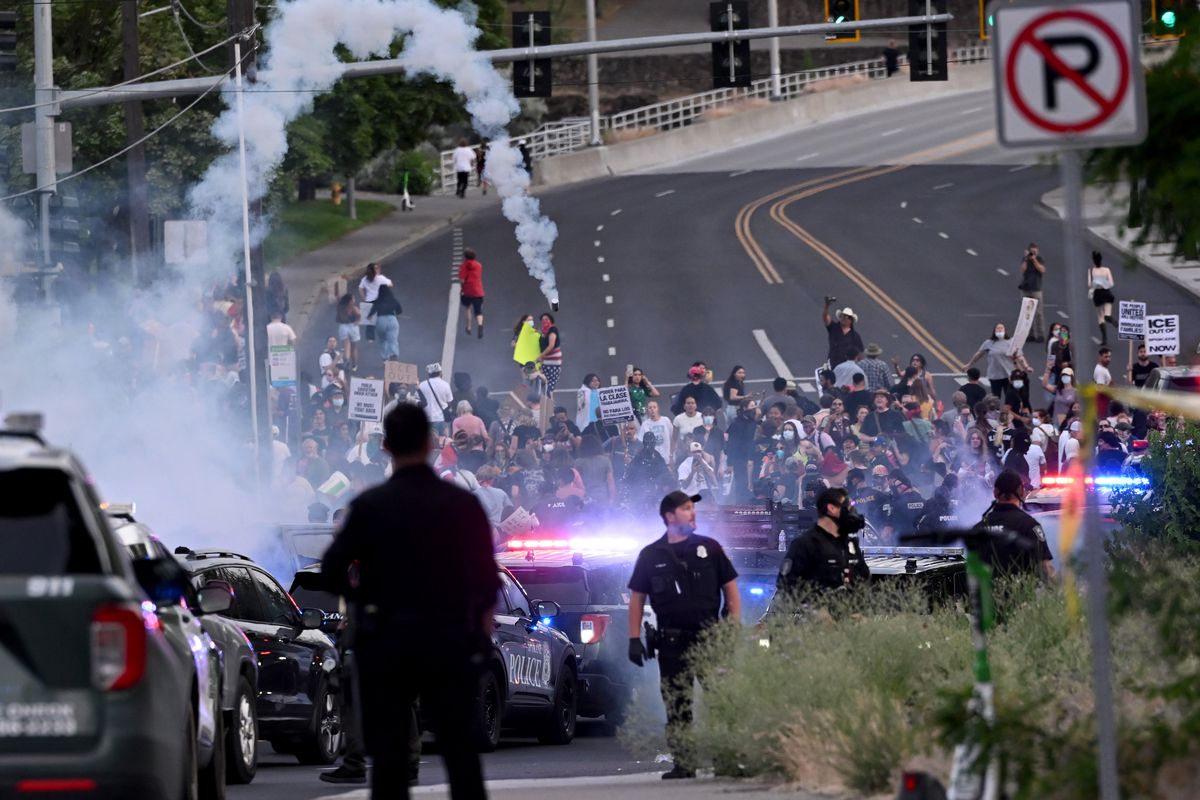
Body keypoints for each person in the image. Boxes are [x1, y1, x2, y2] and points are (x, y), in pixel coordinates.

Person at [322, 405, 499, 798]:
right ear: (430, 442)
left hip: (386, 642)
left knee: (388, 761)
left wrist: (361, 602)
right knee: (460, 754)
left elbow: (330, 569)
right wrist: (479, 641)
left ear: (385, 445)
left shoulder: (370, 507)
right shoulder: (462, 505)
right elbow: (488, 583)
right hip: (449, 640)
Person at [627, 492, 739, 780]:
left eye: (692, 508)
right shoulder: (651, 555)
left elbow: (731, 589)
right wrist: (633, 638)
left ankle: (725, 758)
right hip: (671, 641)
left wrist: (732, 627)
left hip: (709, 638)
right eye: (687, 509)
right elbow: (637, 598)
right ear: (669, 516)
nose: (693, 513)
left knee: (720, 700)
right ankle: (684, 762)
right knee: (677, 703)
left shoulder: (710, 548)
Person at [776, 487, 870, 596]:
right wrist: (814, 609)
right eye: (847, 507)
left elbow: (864, 581)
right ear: (831, 508)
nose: (852, 513)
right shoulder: (805, 544)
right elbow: (785, 586)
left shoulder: (850, 544)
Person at [977, 470, 1054, 579]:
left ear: (995, 492)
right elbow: (1045, 569)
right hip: (1020, 594)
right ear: (1022, 491)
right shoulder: (1031, 526)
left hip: (985, 595)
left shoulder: (979, 528)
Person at [964, 323, 1016, 399]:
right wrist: (969, 364)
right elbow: (979, 354)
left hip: (1008, 374)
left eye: (1002, 328)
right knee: (996, 396)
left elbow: (1019, 356)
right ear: (994, 331)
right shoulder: (989, 343)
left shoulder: (1011, 342)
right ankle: (996, 410)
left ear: (1005, 330)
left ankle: (1010, 410)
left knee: (1010, 397)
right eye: (998, 328)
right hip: (995, 375)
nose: (1000, 330)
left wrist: (1025, 367)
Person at [1018, 242, 1047, 342]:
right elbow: (1022, 269)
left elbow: (1042, 270)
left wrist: (1034, 260)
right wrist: (1026, 258)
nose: (1033, 253)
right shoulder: (1025, 260)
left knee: (1038, 313)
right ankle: (1029, 334)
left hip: (1036, 289)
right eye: (1032, 251)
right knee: (1027, 313)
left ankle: (1040, 334)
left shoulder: (1039, 259)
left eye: (1035, 251)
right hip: (1026, 289)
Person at [358, 262, 393, 344]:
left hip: (369, 300)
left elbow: (360, 288)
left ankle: (370, 339)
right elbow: (391, 284)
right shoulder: (380, 278)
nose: (379, 269)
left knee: (370, 321)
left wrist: (364, 298)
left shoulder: (365, 279)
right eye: (377, 268)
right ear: (375, 270)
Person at [822, 300, 864, 367]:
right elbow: (825, 317)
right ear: (840, 317)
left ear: (851, 321)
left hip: (846, 367)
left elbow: (860, 355)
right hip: (832, 364)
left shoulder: (855, 336)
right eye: (843, 316)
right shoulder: (833, 327)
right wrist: (827, 306)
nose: (845, 318)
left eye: (848, 317)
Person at [418, 363, 455, 435]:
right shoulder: (445, 385)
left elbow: (418, 401)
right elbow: (450, 401)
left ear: (429, 374)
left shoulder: (422, 385)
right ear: (440, 373)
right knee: (439, 442)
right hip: (440, 418)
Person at [1089, 250, 1116, 346]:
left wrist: (1097, 283)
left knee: (1100, 317)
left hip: (1098, 295)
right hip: (1107, 293)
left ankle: (1104, 338)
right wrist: (1104, 283)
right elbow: (1111, 283)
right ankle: (1112, 320)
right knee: (1107, 314)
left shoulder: (1091, 271)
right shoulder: (1106, 270)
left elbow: (1090, 285)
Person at [370, 284, 402, 362]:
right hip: (392, 320)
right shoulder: (392, 299)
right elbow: (400, 310)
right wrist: (396, 314)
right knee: (393, 341)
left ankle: (385, 358)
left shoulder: (378, 300)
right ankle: (394, 356)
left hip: (380, 320)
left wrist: (369, 316)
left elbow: (372, 311)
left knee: (382, 340)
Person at [459, 248, 485, 339]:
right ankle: (480, 325)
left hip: (467, 291)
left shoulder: (463, 266)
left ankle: (469, 326)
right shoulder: (479, 265)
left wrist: (462, 289)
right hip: (478, 290)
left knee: (468, 308)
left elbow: (462, 279)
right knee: (478, 311)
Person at [537, 312, 562, 396]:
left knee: (550, 386)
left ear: (550, 320)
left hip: (553, 363)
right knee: (542, 384)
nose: (544, 321)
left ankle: (549, 404)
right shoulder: (543, 332)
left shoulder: (552, 329)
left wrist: (541, 356)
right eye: (543, 320)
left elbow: (551, 345)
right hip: (545, 362)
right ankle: (542, 402)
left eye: (546, 319)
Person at [336, 293, 362, 370]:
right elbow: (359, 315)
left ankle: (347, 359)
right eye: (353, 299)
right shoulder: (353, 308)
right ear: (350, 301)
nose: (354, 300)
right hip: (353, 327)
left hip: (343, 326)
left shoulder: (340, 307)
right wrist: (357, 321)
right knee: (354, 348)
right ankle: (354, 365)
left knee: (346, 345)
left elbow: (337, 297)